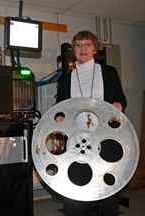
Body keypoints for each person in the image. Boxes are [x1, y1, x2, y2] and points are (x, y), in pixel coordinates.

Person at [55, 30, 127, 216]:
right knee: (74, 188)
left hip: (107, 139)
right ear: (74, 51)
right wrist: (59, 118)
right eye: (79, 45)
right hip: (78, 141)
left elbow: (121, 99)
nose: (83, 48)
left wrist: (118, 105)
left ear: (96, 49)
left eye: (88, 44)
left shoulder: (109, 72)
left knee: (108, 188)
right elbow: (60, 108)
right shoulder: (66, 78)